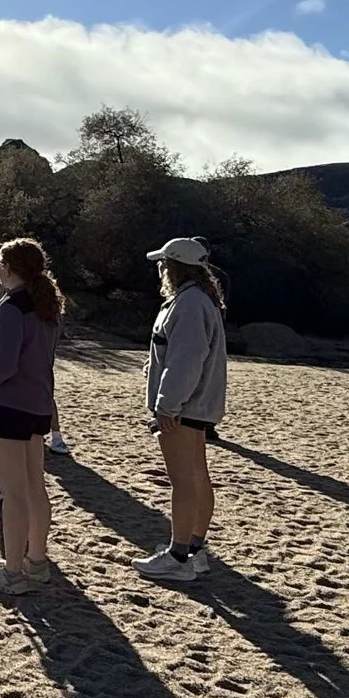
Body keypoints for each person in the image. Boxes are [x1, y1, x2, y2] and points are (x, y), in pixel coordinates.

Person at [0, 237, 62, 596]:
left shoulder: (12, 309)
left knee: (14, 493)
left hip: (8, 406)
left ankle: (12, 570)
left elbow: (2, 365)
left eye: (0, 267)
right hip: (37, 404)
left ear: (9, 269)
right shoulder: (46, 308)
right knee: (34, 486)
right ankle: (36, 560)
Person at [133, 237, 228, 583]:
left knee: (183, 481)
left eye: (163, 262)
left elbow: (187, 361)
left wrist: (166, 405)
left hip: (184, 406)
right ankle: (194, 549)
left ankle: (179, 555)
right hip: (194, 405)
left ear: (174, 266)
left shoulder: (188, 304)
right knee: (197, 477)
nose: (159, 268)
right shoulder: (196, 301)